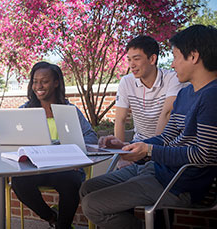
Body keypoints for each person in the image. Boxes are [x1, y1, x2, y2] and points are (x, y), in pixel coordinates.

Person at [80, 24, 217, 229]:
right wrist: (129, 146)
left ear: (194, 56)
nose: (173, 62)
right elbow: (166, 136)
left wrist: (151, 151)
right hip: (157, 169)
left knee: (93, 205)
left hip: (179, 183)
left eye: (176, 56)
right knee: (88, 188)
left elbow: (206, 155)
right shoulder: (186, 94)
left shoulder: (211, 95)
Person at [11, 62, 98, 229]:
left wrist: (65, 150)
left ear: (56, 82)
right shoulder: (24, 110)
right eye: (35, 81)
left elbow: (91, 137)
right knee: (18, 182)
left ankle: (63, 226)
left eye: (44, 81)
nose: (38, 86)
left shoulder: (69, 109)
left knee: (71, 182)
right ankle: (52, 217)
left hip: (63, 168)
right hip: (35, 168)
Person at [115, 35, 186, 143]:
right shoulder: (126, 82)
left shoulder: (172, 78)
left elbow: (166, 115)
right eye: (129, 60)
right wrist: (119, 153)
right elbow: (120, 119)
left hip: (167, 145)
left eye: (136, 59)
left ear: (152, 59)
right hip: (138, 143)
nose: (131, 65)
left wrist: (152, 150)